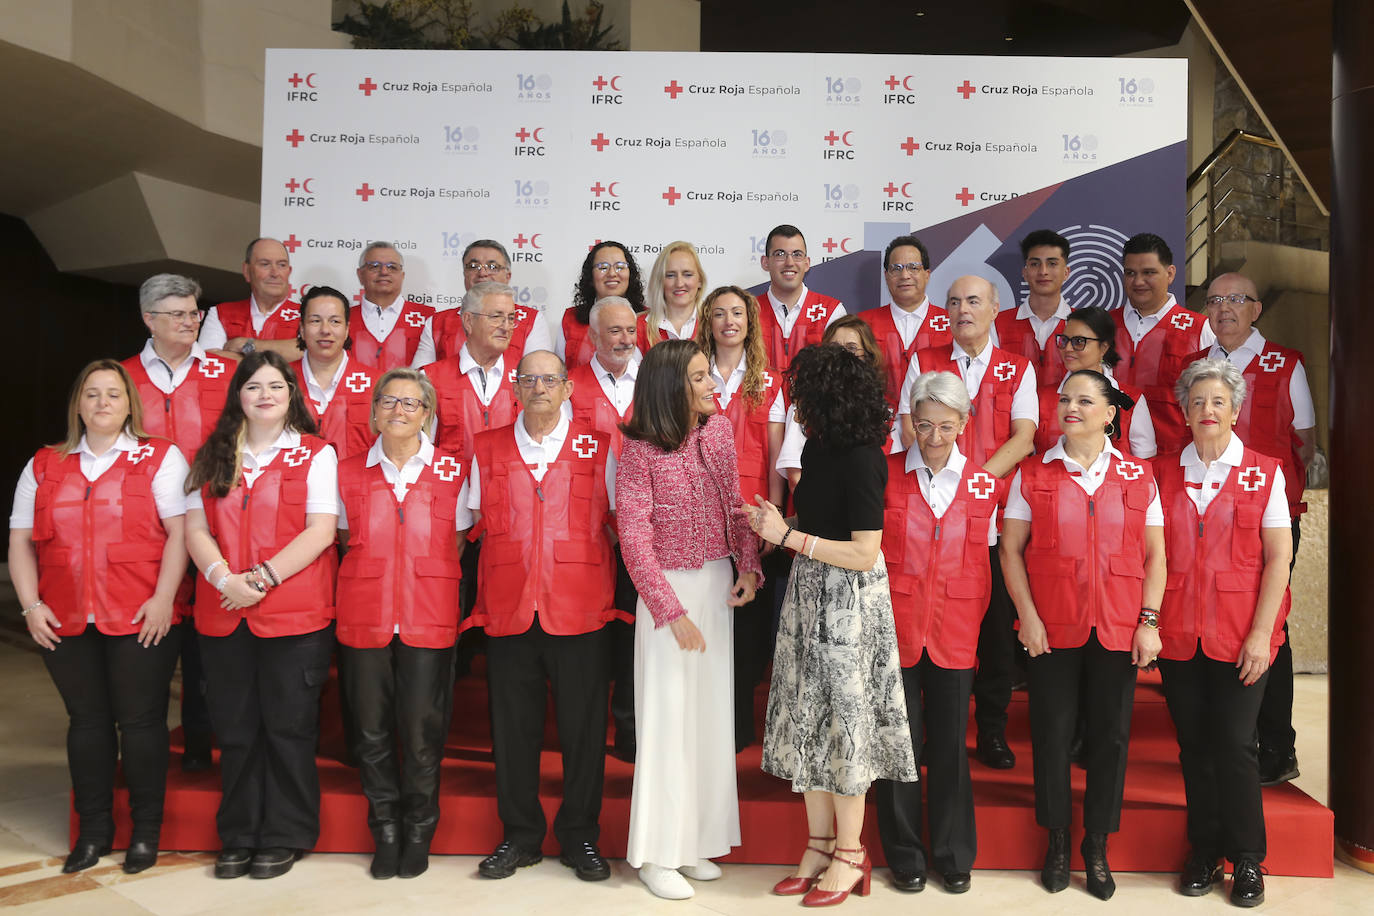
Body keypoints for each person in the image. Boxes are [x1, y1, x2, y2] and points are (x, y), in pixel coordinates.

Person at [749, 343, 917, 907]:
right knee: (806, 723)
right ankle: (819, 845)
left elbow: (864, 553)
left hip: (850, 605)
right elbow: (821, 521)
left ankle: (850, 851)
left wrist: (788, 538)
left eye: (801, 395)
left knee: (844, 727)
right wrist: (777, 521)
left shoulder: (865, 458)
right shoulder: (817, 450)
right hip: (807, 595)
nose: (793, 405)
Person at [9, 360, 189, 875]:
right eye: (92, 394)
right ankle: (92, 833)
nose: (103, 403)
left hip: (141, 615)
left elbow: (179, 532)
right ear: (78, 405)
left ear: (130, 403)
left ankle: (145, 835)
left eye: (113, 394)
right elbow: (20, 541)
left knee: (141, 724)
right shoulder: (44, 464)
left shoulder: (160, 457)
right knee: (86, 723)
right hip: (63, 618)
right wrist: (31, 604)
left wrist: (163, 598)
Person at [1000, 369, 1166, 900]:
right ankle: (1056, 839)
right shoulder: (1032, 473)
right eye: (1065, 398)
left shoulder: (1139, 476)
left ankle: (1096, 844)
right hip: (1053, 627)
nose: (1071, 406)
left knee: (1111, 739)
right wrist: (1027, 614)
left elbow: (1156, 555)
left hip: (1118, 627)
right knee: (1050, 733)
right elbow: (1010, 550)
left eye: (1084, 399)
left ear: (1111, 412)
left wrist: (1149, 620)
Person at [466, 349, 621, 884]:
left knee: (583, 732)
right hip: (509, 610)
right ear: (515, 385)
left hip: (580, 610)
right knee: (513, 731)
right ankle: (520, 836)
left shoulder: (599, 448)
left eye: (549, 379)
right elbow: (466, 524)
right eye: (528, 379)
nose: (539, 388)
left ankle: (581, 836)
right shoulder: (485, 448)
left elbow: (623, 523)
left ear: (567, 388)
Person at [183, 351, 339, 880]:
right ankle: (239, 834)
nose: (264, 394)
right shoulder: (212, 455)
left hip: (294, 616)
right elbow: (196, 529)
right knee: (236, 728)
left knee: (289, 728)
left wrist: (261, 580)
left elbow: (320, 531)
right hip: (224, 610)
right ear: (238, 398)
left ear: (292, 394)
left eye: (275, 385)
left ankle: (286, 834)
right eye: (253, 387)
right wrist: (225, 580)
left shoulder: (316, 454)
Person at [616, 339, 762, 899]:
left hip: (717, 586)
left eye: (709, 374)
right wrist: (668, 610)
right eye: (700, 376)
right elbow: (634, 537)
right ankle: (656, 853)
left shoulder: (719, 432)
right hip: (667, 595)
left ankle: (696, 839)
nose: (713, 384)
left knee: (707, 719)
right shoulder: (638, 450)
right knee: (667, 722)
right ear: (670, 385)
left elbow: (735, 507)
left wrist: (747, 567)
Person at [1157, 358, 1292, 908]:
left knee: (1236, 745)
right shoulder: (1160, 472)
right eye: (1197, 401)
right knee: (1194, 748)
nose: (1207, 410)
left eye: (1219, 401)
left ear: (1236, 411)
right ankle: (1203, 850)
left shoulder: (1266, 471)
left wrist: (1262, 634)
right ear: (1185, 411)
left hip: (1242, 636)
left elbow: (1280, 557)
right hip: (1179, 634)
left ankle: (1248, 860)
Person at [897, 274, 1039, 771]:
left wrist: (971, 486)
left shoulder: (1017, 368)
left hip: (991, 521)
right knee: (930, 627)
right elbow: (905, 429)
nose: (962, 310)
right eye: (954, 301)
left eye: (973, 301)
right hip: (927, 522)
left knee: (996, 636)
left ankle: (993, 732)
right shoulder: (925, 360)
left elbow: (1024, 438)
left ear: (996, 307)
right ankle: (930, 735)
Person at [335, 367, 471, 879]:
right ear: (373, 412)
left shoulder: (454, 472)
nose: (398, 411)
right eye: (388, 401)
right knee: (370, 732)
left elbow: (456, 540)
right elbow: (344, 537)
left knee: (421, 732)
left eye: (411, 403)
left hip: (428, 616)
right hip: (363, 616)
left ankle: (418, 829)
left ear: (427, 415)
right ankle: (385, 828)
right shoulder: (346, 471)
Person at [876, 371, 999, 895]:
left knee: (949, 744)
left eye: (945, 427)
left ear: (964, 424)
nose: (932, 438)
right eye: (922, 425)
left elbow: (987, 563)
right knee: (898, 744)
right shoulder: (884, 475)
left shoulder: (983, 485)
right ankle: (904, 853)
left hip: (955, 630)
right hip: (896, 627)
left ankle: (953, 852)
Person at [1196, 273, 1315, 787]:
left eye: (1236, 300)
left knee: (1269, 627)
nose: (1224, 308)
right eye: (1215, 299)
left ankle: (1276, 744)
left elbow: (1305, 443)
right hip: (1201, 515)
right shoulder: (1194, 367)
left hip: (1269, 517)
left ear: (1256, 309)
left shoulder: (1285, 364)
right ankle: (1214, 738)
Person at [121, 272, 228, 772]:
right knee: (147, 637)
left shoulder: (226, 374)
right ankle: (144, 745)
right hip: (145, 533)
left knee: (209, 644)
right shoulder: (121, 379)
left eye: (194, 313)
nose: (191, 322)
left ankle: (202, 747)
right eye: (180, 314)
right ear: (149, 319)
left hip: (215, 526)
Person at [567, 295, 641, 761]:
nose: (625, 339)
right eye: (614, 331)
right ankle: (585, 733)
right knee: (590, 636)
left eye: (630, 331)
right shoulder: (566, 387)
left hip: (641, 534)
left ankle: (631, 731)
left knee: (637, 635)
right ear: (592, 337)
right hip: (583, 532)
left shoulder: (655, 383)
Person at [1111, 233, 1215, 454]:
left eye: (1149, 272)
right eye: (1130, 273)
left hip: (1174, 462)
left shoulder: (1200, 329)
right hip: (1111, 463)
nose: (1138, 282)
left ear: (1170, 274)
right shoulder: (1104, 326)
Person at [777, 315, 892, 486]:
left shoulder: (882, 409)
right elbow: (795, 477)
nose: (843, 356)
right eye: (835, 348)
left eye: (852, 348)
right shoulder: (807, 406)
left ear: (868, 357)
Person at [1035, 306, 1157, 458]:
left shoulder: (1130, 399)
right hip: (1050, 480)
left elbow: (1145, 462)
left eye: (1079, 341)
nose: (1067, 348)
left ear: (1103, 347)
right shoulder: (1041, 397)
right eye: (1064, 340)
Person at [411, 239, 551, 369]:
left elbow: (539, 378)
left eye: (492, 266)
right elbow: (420, 383)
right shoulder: (438, 322)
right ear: (465, 273)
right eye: (473, 266)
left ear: (508, 276)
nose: (482, 273)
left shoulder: (531, 321)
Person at [422, 281, 520, 462]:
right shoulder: (429, 379)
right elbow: (419, 452)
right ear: (468, 320)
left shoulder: (526, 378)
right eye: (496, 317)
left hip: (507, 488)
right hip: (451, 486)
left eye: (511, 318)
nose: (506, 327)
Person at [859, 234, 952, 406]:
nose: (905, 275)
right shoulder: (863, 324)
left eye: (913, 268)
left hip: (934, 426)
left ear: (927, 274)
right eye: (897, 268)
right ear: (886, 276)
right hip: (876, 426)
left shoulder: (951, 323)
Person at [292, 286, 379, 460]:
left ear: (347, 329)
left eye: (335, 321)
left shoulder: (378, 384)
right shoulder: (280, 380)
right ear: (302, 329)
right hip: (293, 484)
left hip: (356, 484)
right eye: (315, 321)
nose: (325, 330)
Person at [993, 229, 1074, 390]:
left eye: (1052, 263)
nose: (1043, 271)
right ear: (1025, 272)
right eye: (1035, 264)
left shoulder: (1084, 325)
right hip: (1012, 413)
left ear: (1066, 273)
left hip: (1067, 413)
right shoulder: (996, 324)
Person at [757, 224, 846, 371]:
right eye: (780, 254)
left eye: (797, 254)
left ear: (807, 263)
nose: (789, 262)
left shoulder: (832, 311)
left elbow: (840, 373)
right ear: (765, 262)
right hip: (763, 394)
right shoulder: (749, 311)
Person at [199, 237, 303, 362]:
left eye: (281, 265)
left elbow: (309, 352)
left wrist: (247, 345)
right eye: (265, 264)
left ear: (289, 271)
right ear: (247, 271)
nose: (275, 273)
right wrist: (282, 355)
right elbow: (209, 360)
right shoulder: (220, 313)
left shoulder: (306, 314)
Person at [555, 242, 645, 370]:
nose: (612, 273)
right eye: (603, 267)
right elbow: (559, 372)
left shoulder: (648, 319)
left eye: (620, 267)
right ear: (591, 276)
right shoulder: (571, 319)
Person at [350, 242, 436, 370]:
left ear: (402, 276)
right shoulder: (344, 319)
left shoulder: (428, 318)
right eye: (374, 266)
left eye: (392, 267)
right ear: (360, 274)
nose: (384, 272)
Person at [638, 241, 706, 351]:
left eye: (687, 274)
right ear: (659, 281)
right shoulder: (637, 327)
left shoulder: (714, 324)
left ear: (700, 281)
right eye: (670, 275)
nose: (679, 283)